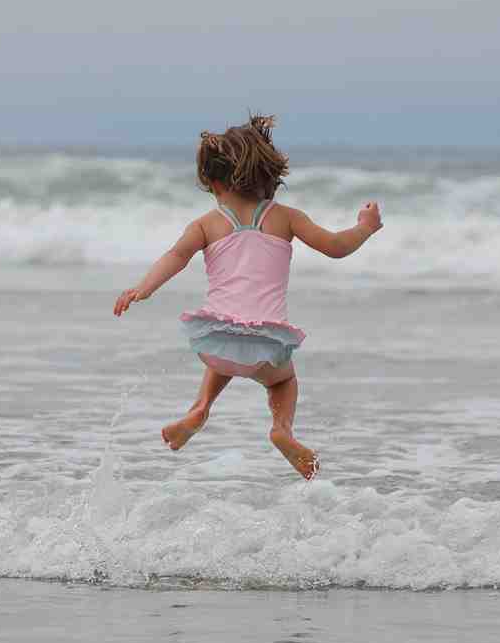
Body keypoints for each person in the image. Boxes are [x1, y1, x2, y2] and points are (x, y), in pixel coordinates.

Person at [114, 114, 382, 479]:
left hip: (215, 341)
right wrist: (364, 228)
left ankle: (199, 409)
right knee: (283, 381)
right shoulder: (286, 217)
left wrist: (142, 289)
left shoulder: (206, 224)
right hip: (266, 345)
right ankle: (282, 430)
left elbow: (175, 256)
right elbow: (336, 247)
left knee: (226, 345)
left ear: (213, 181)